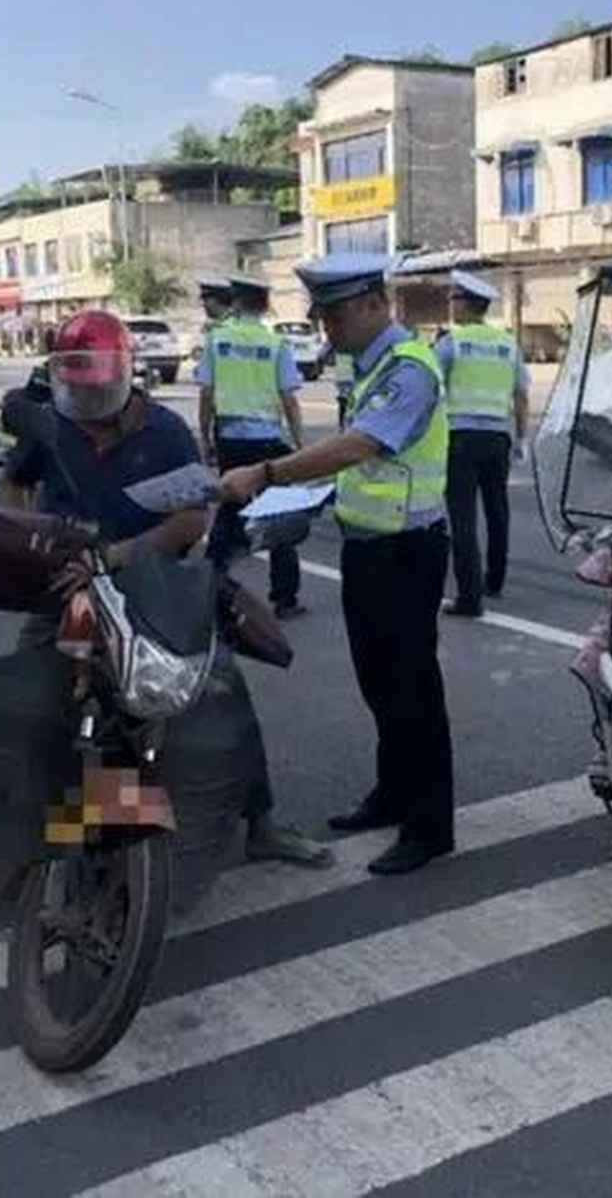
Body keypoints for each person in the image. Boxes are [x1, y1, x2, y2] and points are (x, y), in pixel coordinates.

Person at [0, 309, 329, 917]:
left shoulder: (168, 433)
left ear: (122, 375)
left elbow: (191, 520)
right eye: (77, 382)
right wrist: (24, 538)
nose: (88, 394)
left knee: (220, 694)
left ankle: (262, 822)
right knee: (19, 709)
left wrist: (113, 556)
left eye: (97, 383)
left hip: (151, 584)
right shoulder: (52, 426)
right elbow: (14, 485)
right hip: (66, 587)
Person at [220, 255, 455, 876]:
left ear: (375, 303)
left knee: (413, 689)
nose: (327, 328)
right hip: (370, 547)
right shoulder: (373, 365)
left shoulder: (410, 370)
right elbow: (364, 467)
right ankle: (392, 793)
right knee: (380, 683)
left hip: (408, 550)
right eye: (321, 315)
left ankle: (429, 827)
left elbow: (361, 445)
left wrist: (270, 472)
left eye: (335, 314)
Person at [198, 273, 306, 618]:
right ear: (264, 304)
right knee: (278, 514)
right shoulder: (276, 344)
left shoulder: (217, 340)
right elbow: (289, 400)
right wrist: (301, 444)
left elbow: (207, 393)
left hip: (230, 439)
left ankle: (209, 587)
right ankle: (285, 598)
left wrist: (205, 435)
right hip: (270, 441)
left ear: (237, 301)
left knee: (228, 514)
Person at [436, 271, 528, 618]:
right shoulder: (508, 343)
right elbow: (521, 395)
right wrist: (522, 438)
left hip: (460, 439)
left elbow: (430, 386)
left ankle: (470, 598)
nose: (450, 305)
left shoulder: (452, 343)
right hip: (497, 440)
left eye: (453, 299)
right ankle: (495, 581)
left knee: (462, 518)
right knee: (497, 511)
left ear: (467, 304)